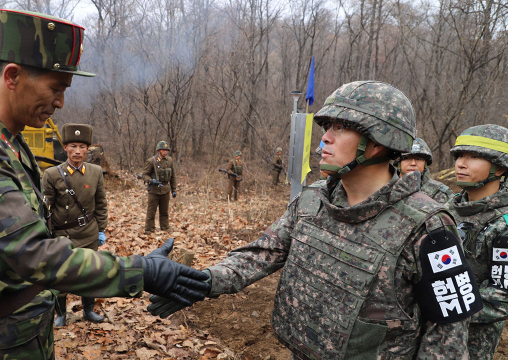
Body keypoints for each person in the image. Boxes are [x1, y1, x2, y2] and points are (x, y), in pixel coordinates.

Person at [0, 9, 209, 358]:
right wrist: (140, 270)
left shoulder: (8, 141)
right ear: (13, 76)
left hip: (24, 330)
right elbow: (35, 254)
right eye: (55, 88)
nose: (61, 102)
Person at [149, 81, 483, 359]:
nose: (325, 138)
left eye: (341, 128)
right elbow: (261, 253)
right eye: (327, 127)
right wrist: (204, 281)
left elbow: (448, 334)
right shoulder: (313, 198)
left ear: (382, 142)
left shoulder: (429, 227)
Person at [446, 124, 508, 360]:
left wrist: (445, 308)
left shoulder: (503, 223)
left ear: (500, 168)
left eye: (473, 157)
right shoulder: (445, 210)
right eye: (460, 155)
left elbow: (501, 296)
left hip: (470, 344)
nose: (461, 163)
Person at [43, 124, 107, 325]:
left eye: (82, 146)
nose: (77, 151)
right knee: (61, 276)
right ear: (65, 148)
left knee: (90, 273)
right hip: (63, 235)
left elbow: (101, 203)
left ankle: (88, 311)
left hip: (88, 232)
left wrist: (102, 229)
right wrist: (46, 233)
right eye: (73, 146)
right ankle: (61, 314)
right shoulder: (52, 174)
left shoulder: (96, 172)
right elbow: (45, 207)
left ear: (88, 149)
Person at [397, 137, 454, 203]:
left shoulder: (441, 194)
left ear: (425, 164)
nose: (413, 163)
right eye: (407, 158)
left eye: (418, 159)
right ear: (398, 162)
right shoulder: (386, 190)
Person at [142, 140, 177, 234]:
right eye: (163, 150)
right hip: (154, 190)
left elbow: (173, 176)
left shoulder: (169, 161)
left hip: (165, 189)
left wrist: (174, 189)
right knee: (151, 212)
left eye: (166, 150)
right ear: (159, 150)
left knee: (164, 212)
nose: (165, 152)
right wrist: (150, 180)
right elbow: (144, 175)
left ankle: (165, 228)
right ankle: (149, 230)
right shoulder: (151, 161)